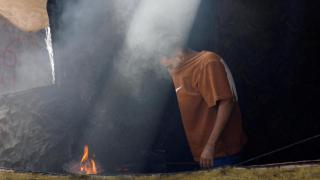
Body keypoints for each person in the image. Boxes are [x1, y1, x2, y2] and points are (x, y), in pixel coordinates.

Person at [161, 48, 247, 169]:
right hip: (202, 155)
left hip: (220, 154)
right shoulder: (179, 69)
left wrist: (210, 146)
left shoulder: (207, 62)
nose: (169, 70)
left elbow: (227, 103)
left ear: (178, 54)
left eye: (169, 66)